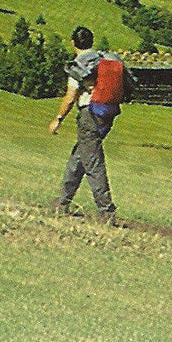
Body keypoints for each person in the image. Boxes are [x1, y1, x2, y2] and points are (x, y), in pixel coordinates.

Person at [49, 26, 133, 220]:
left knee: (92, 161)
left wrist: (58, 119)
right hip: (108, 113)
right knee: (80, 156)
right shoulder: (105, 59)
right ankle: (62, 202)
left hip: (90, 114)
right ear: (91, 42)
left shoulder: (79, 65)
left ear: (73, 43)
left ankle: (106, 211)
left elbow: (70, 98)